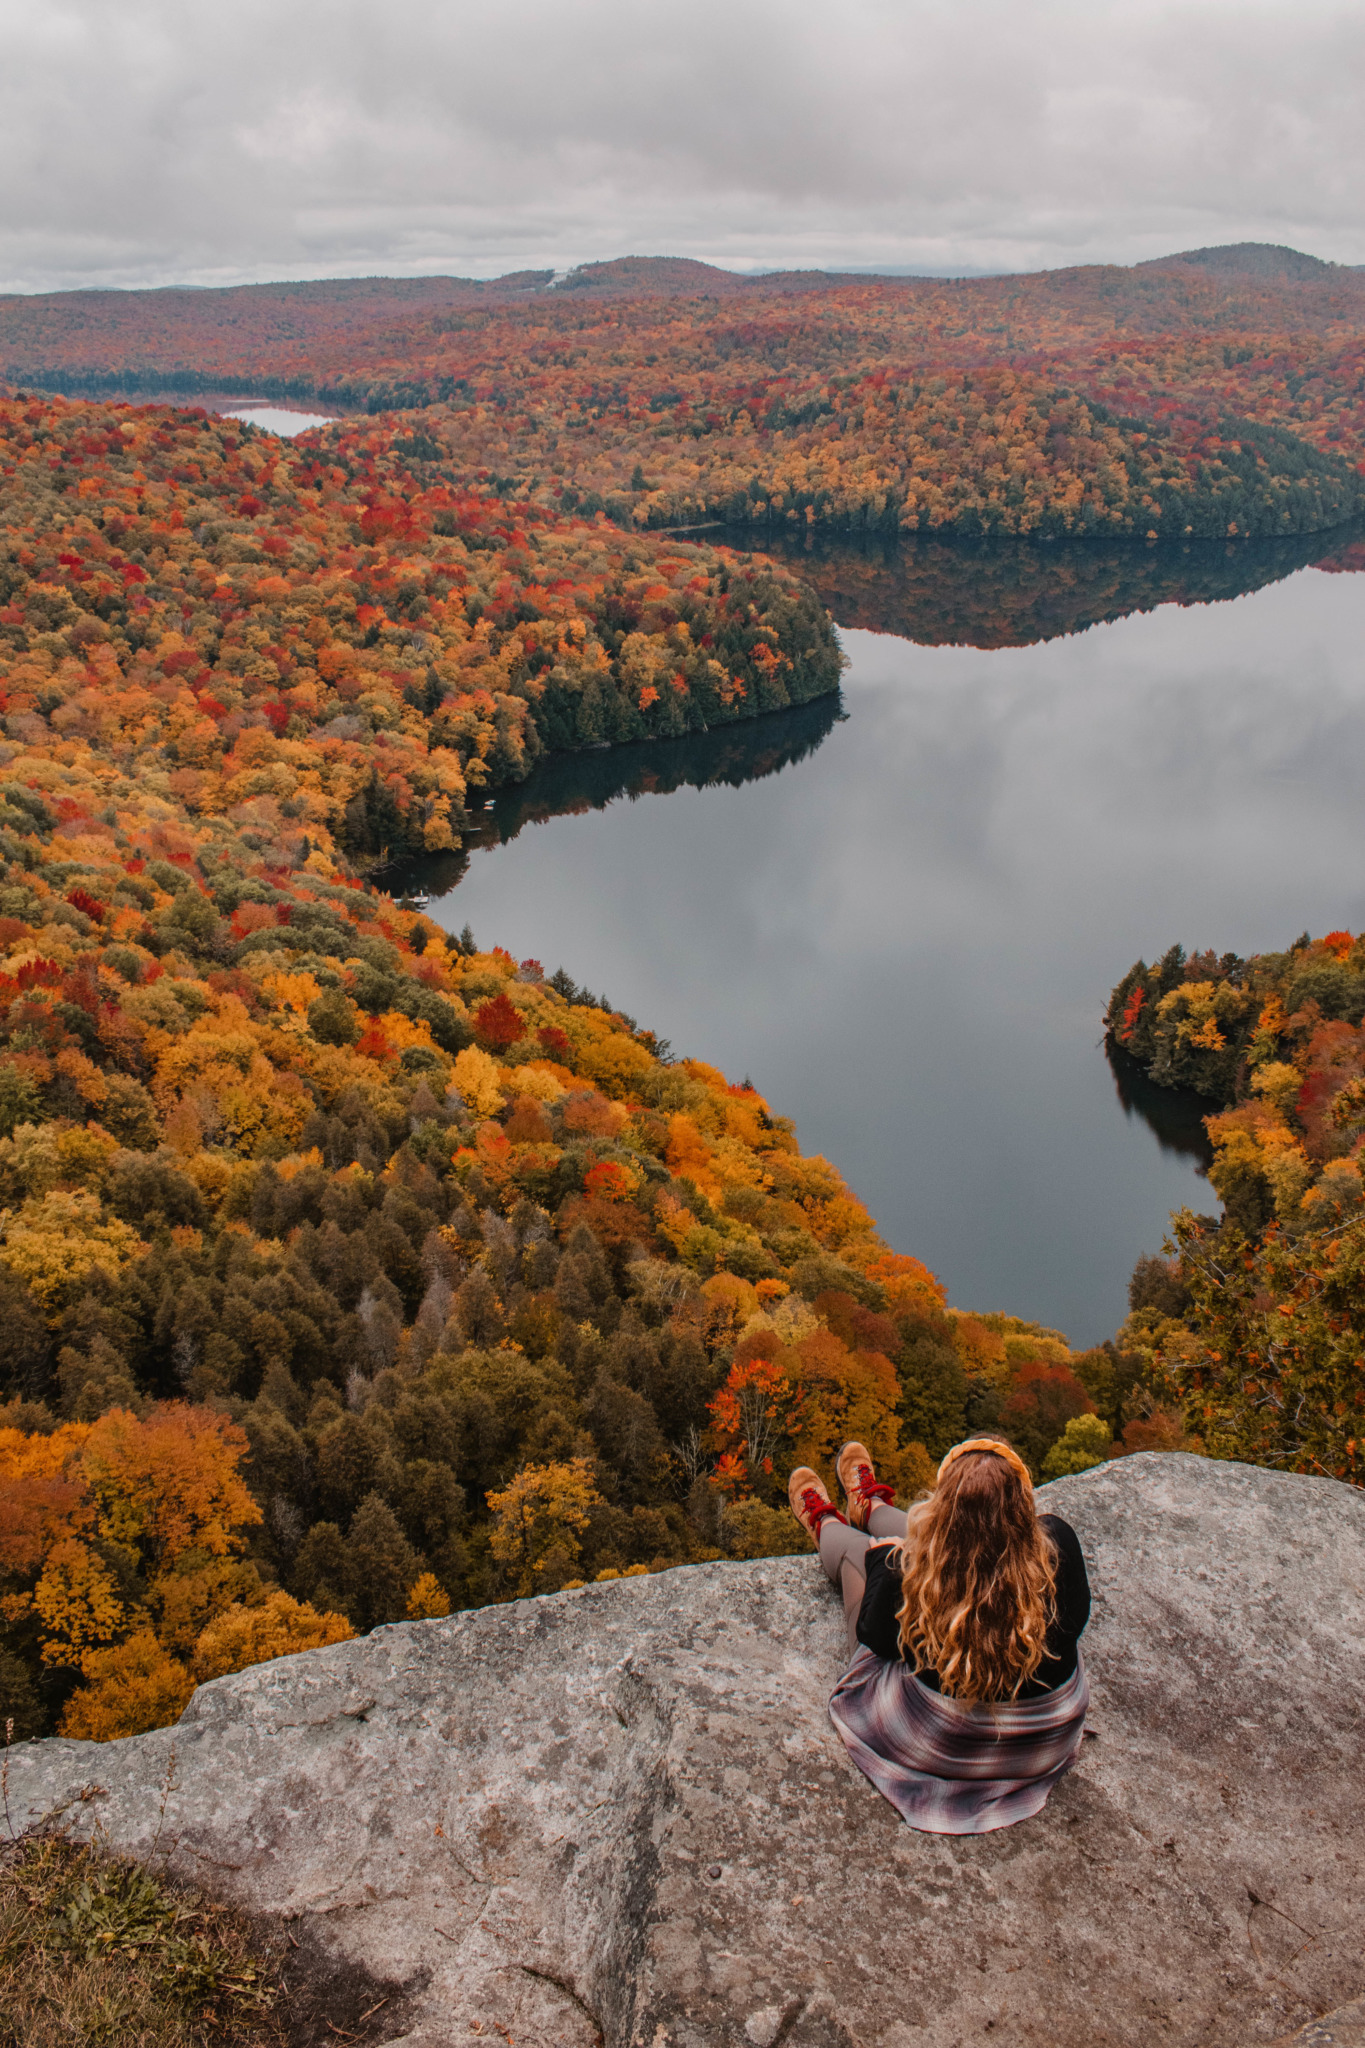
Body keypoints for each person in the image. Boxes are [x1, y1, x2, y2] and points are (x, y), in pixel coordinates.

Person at [788, 1436, 1091, 1834]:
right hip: (1042, 1741)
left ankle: (826, 1523)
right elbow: (1077, 1620)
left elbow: (872, 1635)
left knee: (856, 1554)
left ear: (941, 1505)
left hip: (946, 1743)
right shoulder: (1057, 1546)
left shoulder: (910, 1574)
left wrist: (884, 1559)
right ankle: (871, 1505)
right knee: (930, 1538)